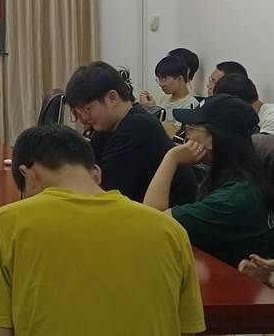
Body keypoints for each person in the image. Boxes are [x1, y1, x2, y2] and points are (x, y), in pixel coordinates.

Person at [0, 124, 205, 336]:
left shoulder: (5, 225)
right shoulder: (170, 230)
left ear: (27, 175)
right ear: (96, 173)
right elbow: (187, 328)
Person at [144, 94, 274, 267]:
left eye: (190, 128)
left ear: (212, 138)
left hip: (229, 280)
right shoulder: (245, 174)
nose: (185, 134)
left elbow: (151, 223)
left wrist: (171, 159)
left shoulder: (231, 200)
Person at [64, 61, 197, 205]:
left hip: (167, 215)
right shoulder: (107, 126)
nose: (83, 118)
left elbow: (103, 194)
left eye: (87, 109)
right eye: (78, 113)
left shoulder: (137, 128)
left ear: (112, 98)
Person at [140, 55, 199, 126]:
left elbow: (177, 131)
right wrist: (151, 108)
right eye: (159, 79)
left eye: (164, 79)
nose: (161, 84)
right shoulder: (165, 98)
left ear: (180, 79)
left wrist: (153, 110)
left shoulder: (191, 104)